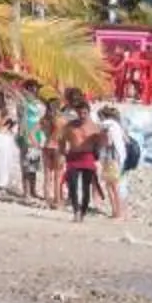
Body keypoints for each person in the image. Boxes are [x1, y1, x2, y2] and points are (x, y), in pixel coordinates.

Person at [61, 88, 101, 219]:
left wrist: (98, 154)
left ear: (88, 112)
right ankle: (76, 210)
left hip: (88, 157)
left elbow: (99, 143)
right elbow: (62, 138)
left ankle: (83, 210)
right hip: (73, 156)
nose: (82, 115)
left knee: (86, 187)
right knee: (72, 184)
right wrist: (63, 151)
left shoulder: (94, 127)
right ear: (77, 113)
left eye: (84, 112)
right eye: (80, 112)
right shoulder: (70, 125)